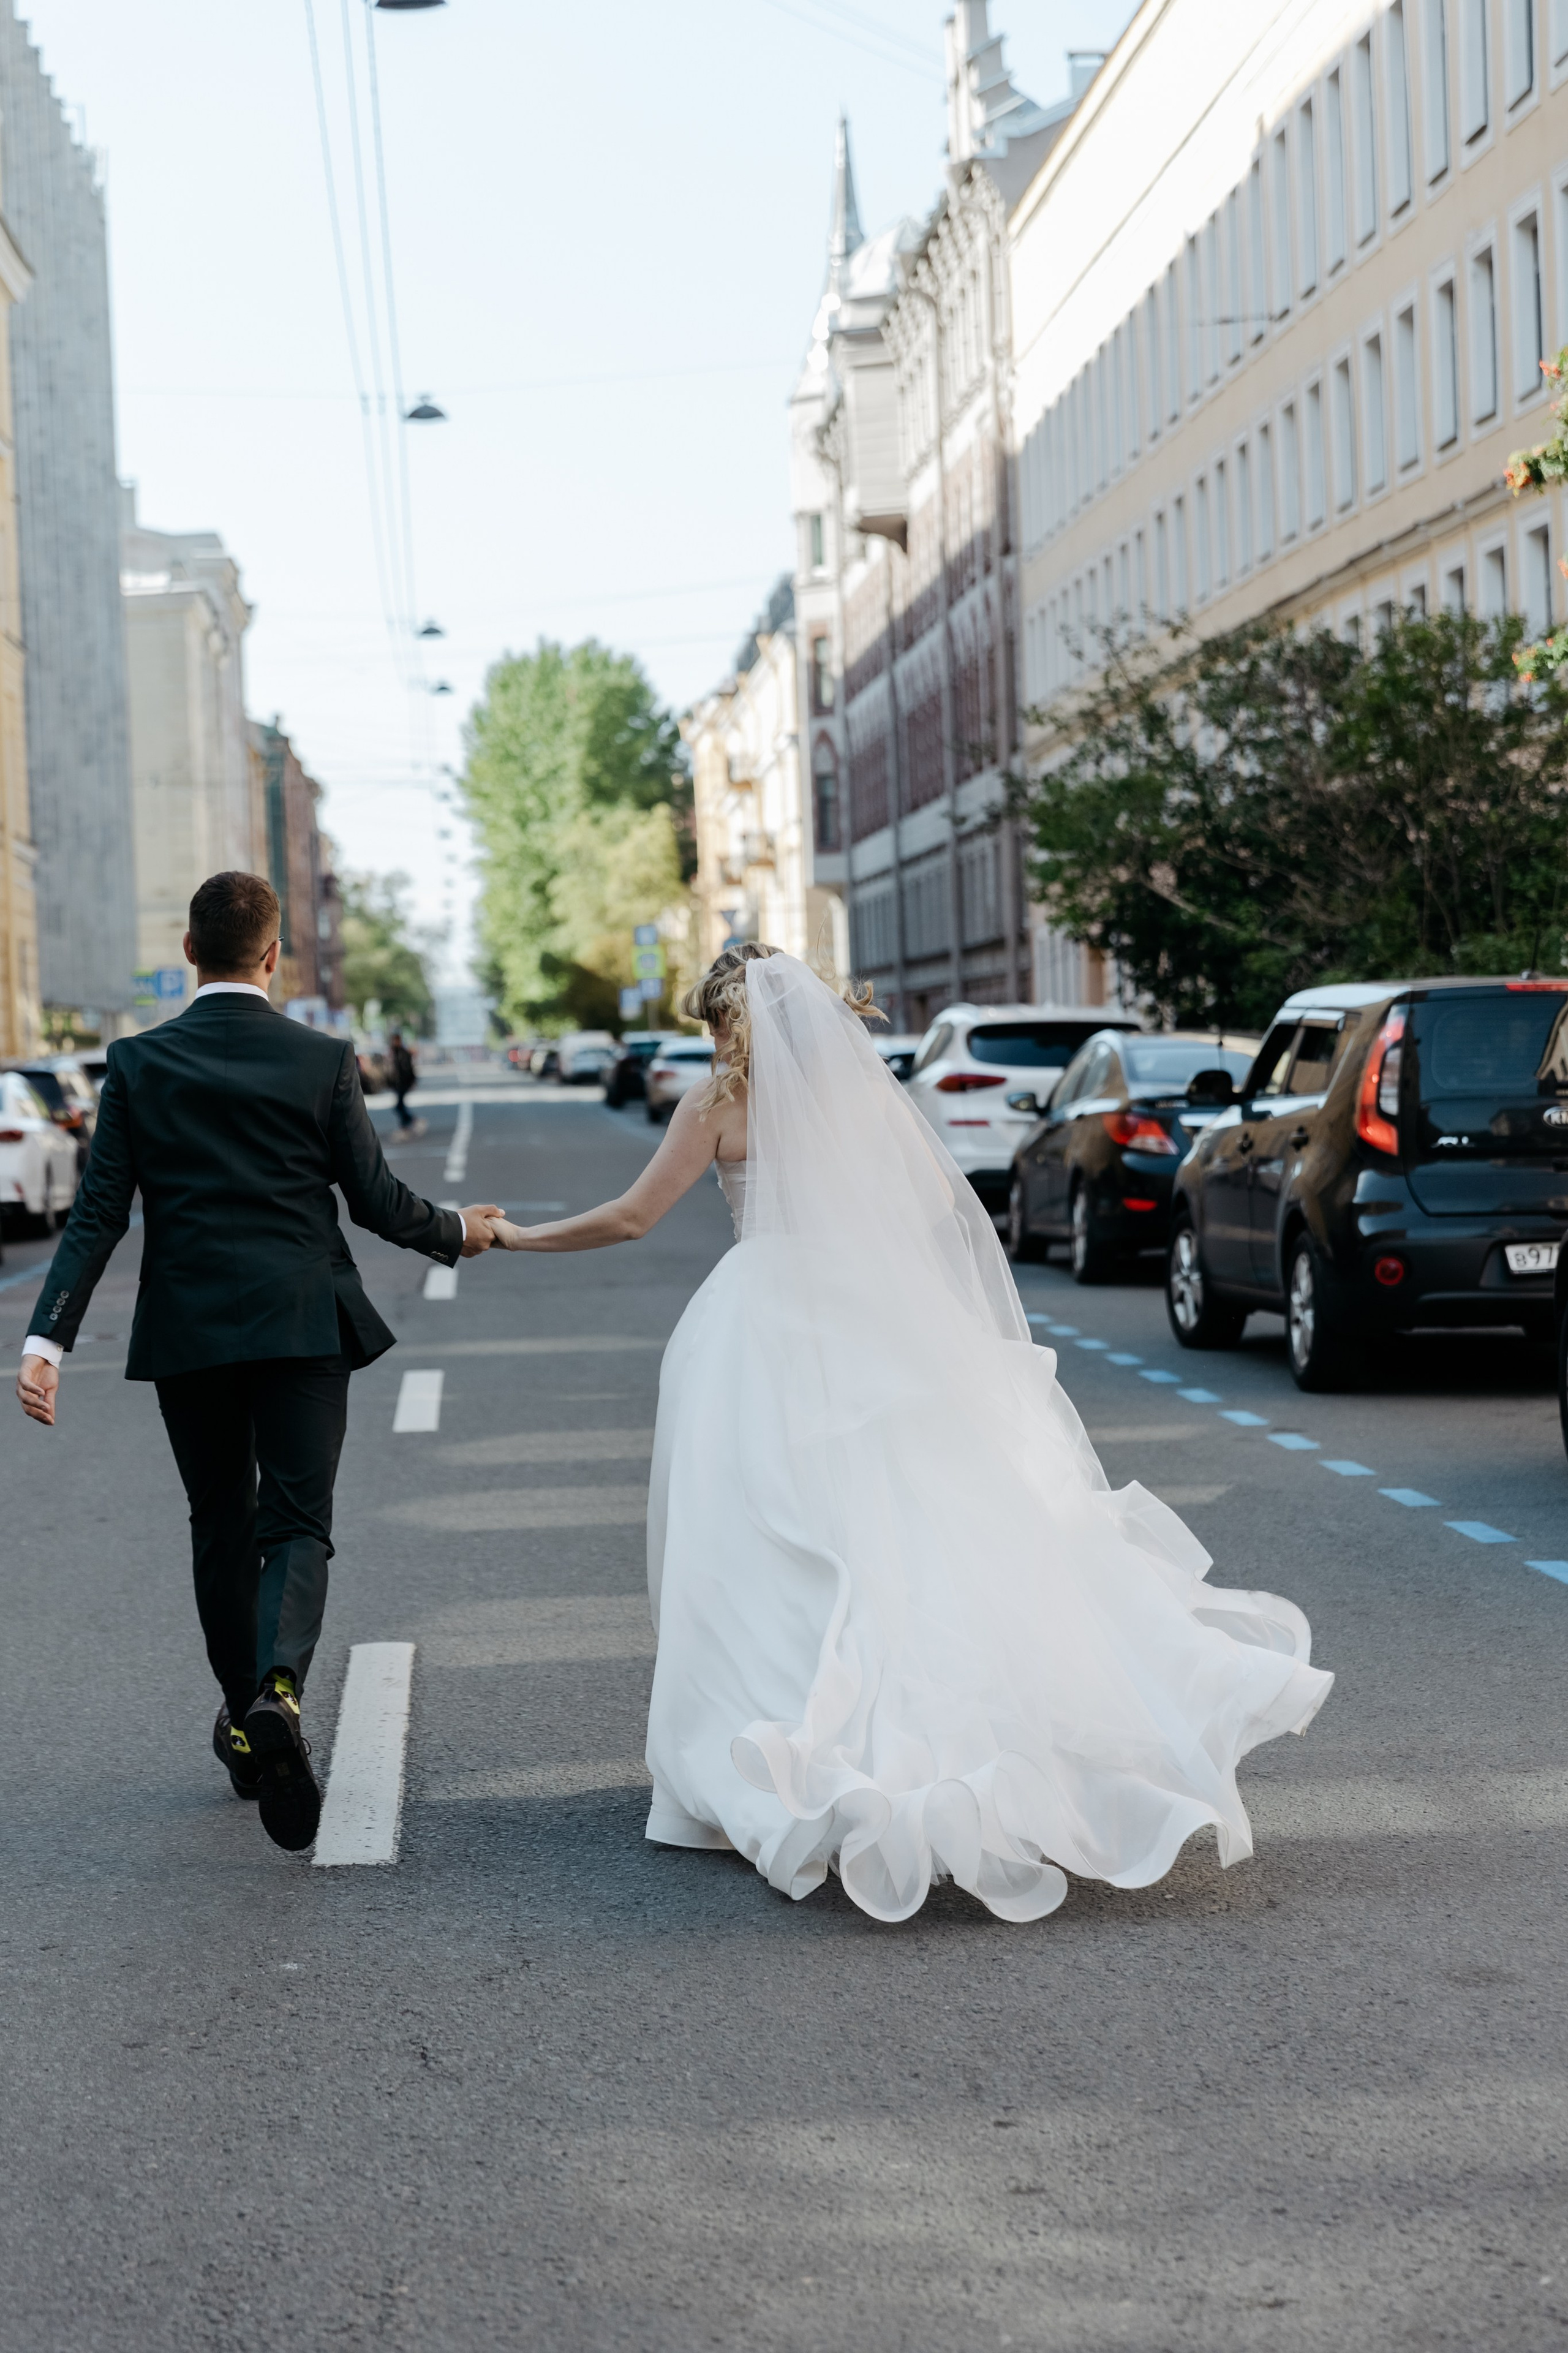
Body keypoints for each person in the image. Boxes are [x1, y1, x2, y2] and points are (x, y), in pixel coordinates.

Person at [489, 944, 1332, 1925]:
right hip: (867, 1322)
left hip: (762, 1326)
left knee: (757, 1543)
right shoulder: (866, 1103)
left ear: (734, 1023)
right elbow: (938, 1209)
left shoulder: (717, 1106)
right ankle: (910, 1739)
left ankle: (764, 1746)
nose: (712, 1039)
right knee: (899, 1529)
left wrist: (516, 1236)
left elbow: (634, 1218)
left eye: (713, 1023)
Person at [13, 872, 503, 1853]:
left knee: (219, 1526)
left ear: (189, 952)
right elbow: (373, 1200)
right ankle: (280, 1689)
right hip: (301, 1323)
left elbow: (99, 1217)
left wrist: (45, 1340)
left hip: (190, 1333)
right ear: (274, 955)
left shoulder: (138, 1064)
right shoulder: (320, 1057)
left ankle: (246, 1719)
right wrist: (458, 1229)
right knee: (296, 1522)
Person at [386, 1029, 423, 1138]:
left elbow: (408, 1069)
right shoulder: (394, 1053)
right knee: (400, 1106)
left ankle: (409, 1123)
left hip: (404, 1083)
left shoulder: (403, 1053)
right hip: (398, 1084)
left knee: (399, 1106)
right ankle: (408, 1124)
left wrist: (412, 1081)